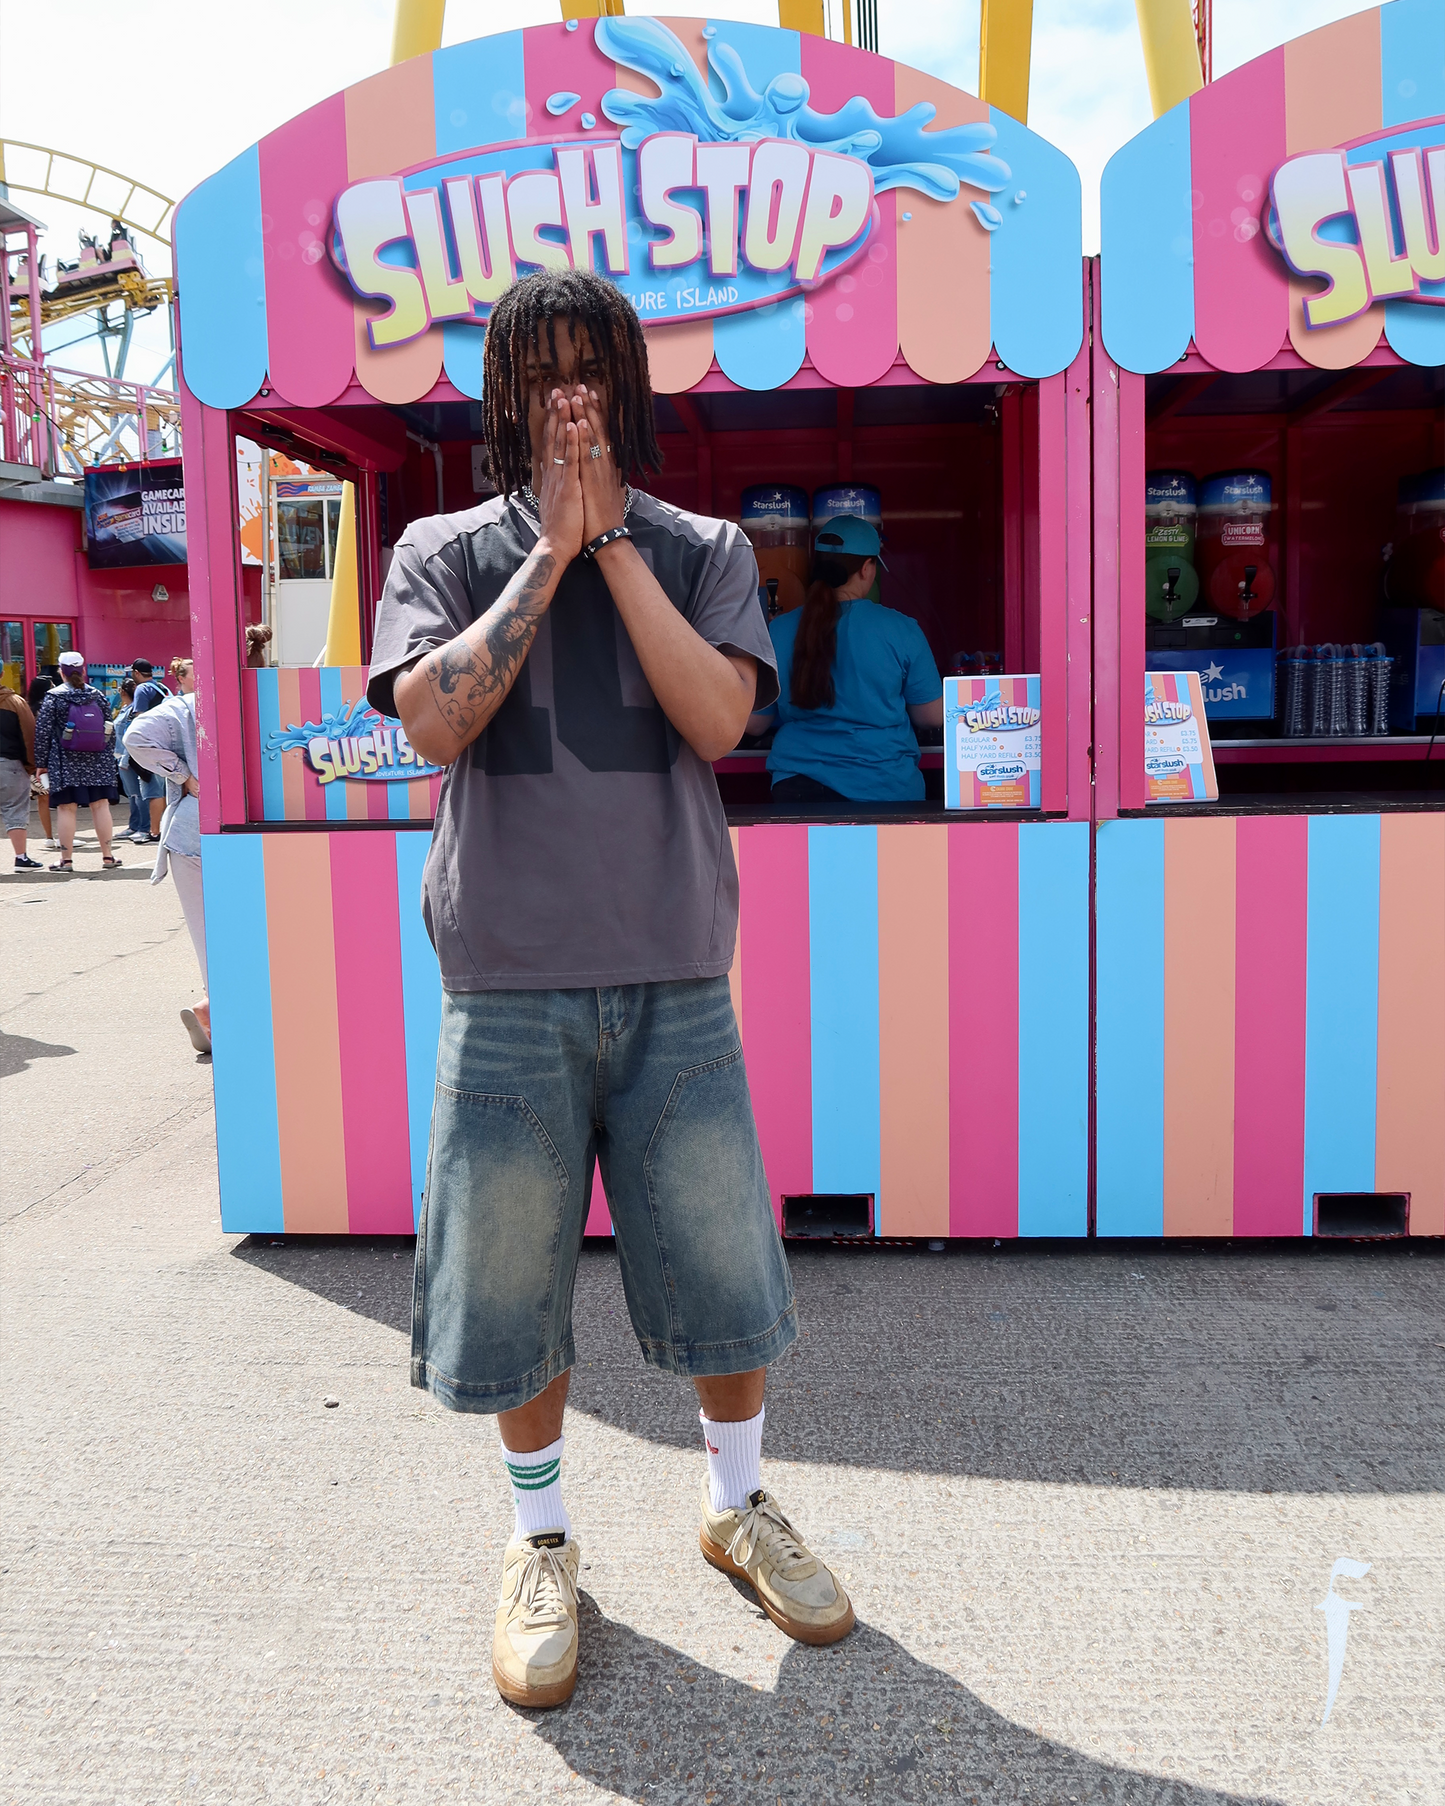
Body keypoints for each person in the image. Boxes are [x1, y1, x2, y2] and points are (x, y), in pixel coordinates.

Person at [370, 268, 853, 1713]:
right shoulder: (444, 547)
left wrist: (614, 548)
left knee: (723, 1267)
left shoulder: (704, 547)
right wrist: (545, 556)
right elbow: (431, 725)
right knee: (509, 1287)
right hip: (508, 973)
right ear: (500, 395)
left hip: (671, 965)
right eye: (541, 373)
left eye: (593, 371)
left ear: (631, 389)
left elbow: (719, 719)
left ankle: (736, 1503)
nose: (568, 398)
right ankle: (539, 1540)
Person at [745, 516, 945, 803]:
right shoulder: (901, 629)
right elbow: (932, 716)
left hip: (798, 789)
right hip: (886, 790)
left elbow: (755, 723)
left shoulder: (778, 629)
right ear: (867, 568)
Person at [125, 659, 208, 1052]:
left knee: (207, 934)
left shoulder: (185, 707)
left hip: (193, 830)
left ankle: (213, 1007)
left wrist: (183, 776)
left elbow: (134, 737)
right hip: (253, 831)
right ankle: (214, 1009)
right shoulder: (263, 700)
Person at [32, 650, 120, 872]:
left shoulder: (54, 697)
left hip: (65, 761)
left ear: (61, 672)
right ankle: (108, 856)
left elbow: (42, 733)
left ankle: (66, 860)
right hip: (98, 761)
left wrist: (41, 763)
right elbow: (110, 729)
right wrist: (106, 756)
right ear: (82, 669)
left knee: (66, 808)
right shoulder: (97, 695)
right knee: (100, 806)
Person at [127, 659, 169, 841]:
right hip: (166, 743)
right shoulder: (162, 688)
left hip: (151, 745)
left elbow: (140, 720)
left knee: (153, 791)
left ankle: (154, 831)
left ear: (136, 673)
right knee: (165, 789)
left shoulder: (142, 690)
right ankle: (165, 828)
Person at [0, 684, 41, 869]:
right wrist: (31, 766)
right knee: (15, 811)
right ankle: (21, 858)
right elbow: (29, 734)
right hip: (10, 764)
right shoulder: (15, 702)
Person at [110, 677, 149, 841]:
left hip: (129, 758)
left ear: (123, 692)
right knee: (132, 794)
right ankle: (133, 825)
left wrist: (124, 759)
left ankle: (143, 826)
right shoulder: (125, 709)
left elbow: (129, 736)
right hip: (121, 758)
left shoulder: (133, 711)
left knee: (138, 794)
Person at [25, 676, 58, 849]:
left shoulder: (28, 708)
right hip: (52, 758)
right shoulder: (49, 708)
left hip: (35, 760)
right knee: (61, 798)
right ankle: (62, 835)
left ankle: (49, 837)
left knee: (42, 799)